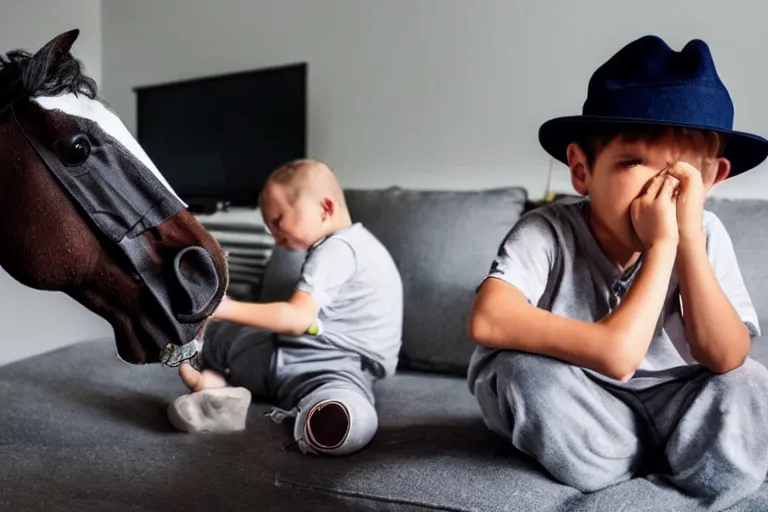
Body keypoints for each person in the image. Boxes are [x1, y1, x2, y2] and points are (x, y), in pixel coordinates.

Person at [467, 35, 768, 510]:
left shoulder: (706, 234)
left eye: (683, 173)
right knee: (518, 372)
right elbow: (487, 321)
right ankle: (630, 472)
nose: (659, 186)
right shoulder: (548, 231)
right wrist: (660, 245)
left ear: (713, 179)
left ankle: (682, 475)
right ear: (582, 169)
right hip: (586, 404)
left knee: (750, 382)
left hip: (679, 403)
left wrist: (682, 241)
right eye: (632, 162)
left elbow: (725, 354)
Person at [167, 158, 404, 457]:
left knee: (342, 396)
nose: (276, 237)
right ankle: (216, 386)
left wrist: (220, 307)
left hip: (334, 365)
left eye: (278, 221)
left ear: (326, 208)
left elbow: (296, 318)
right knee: (224, 337)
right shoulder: (356, 243)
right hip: (301, 360)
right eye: (270, 228)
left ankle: (336, 419)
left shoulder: (338, 250)